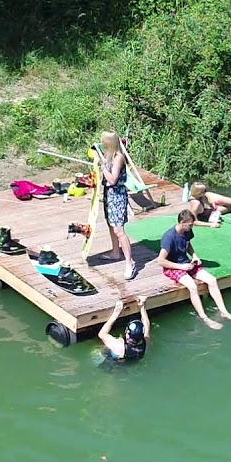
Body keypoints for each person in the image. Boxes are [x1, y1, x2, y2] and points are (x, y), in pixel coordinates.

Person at [157, 210, 231, 330]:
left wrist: (194, 256)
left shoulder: (187, 231)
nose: (192, 226)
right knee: (192, 286)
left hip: (186, 263)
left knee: (212, 280)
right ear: (182, 222)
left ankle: (223, 311)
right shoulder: (169, 237)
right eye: (190, 224)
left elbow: (188, 244)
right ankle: (204, 317)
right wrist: (181, 267)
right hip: (173, 266)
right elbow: (161, 261)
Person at [97, 130, 137, 280]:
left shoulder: (118, 157)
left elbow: (113, 179)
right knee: (111, 225)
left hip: (117, 196)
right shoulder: (108, 154)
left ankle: (129, 263)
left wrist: (102, 167)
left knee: (119, 230)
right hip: (109, 194)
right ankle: (115, 252)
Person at [98, 296, 150, 362]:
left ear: (127, 334)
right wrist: (142, 307)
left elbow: (102, 334)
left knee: (98, 349)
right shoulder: (145, 343)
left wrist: (116, 313)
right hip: (129, 364)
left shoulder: (118, 346)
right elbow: (146, 326)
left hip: (112, 366)